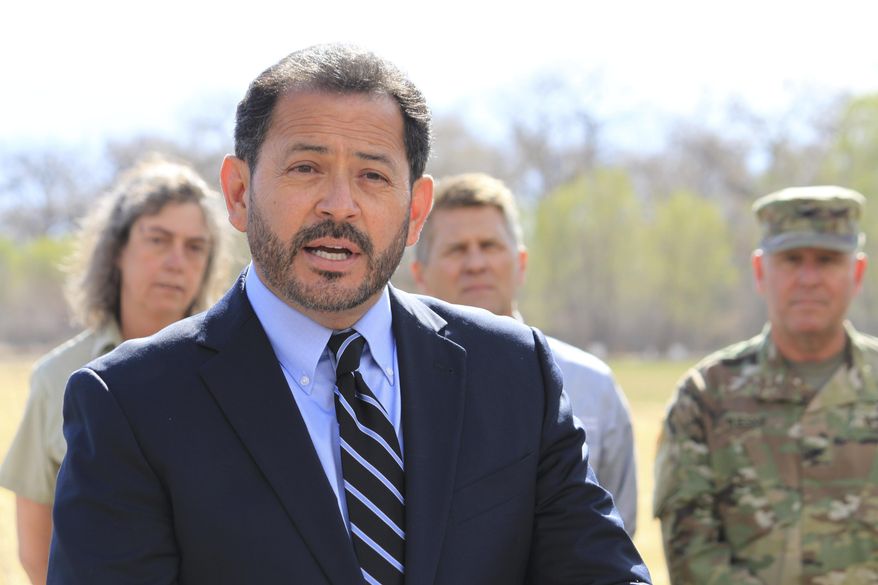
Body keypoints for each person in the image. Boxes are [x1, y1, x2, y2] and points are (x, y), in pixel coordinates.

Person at [48, 44, 650, 584]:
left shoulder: (515, 372)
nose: (340, 205)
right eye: (306, 167)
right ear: (237, 193)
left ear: (416, 211)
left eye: (372, 175)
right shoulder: (130, 403)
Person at [0, 155, 227, 584]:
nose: (177, 261)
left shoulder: (237, 370)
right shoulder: (57, 378)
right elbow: (37, 556)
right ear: (118, 250)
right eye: (158, 240)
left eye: (195, 247)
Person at [653, 185, 878, 584]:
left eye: (827, 260)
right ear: (760, 271)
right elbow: (693, 555)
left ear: (857, 273)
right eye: (792, 260)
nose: (809, 278)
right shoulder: (705, 398)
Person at [409, 172, 638, 535]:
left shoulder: (593, 386)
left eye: (489, 246)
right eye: (456, 249)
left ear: (522, 263)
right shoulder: (391, 384)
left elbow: (617, 532)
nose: (475, 263)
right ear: (419, 273)